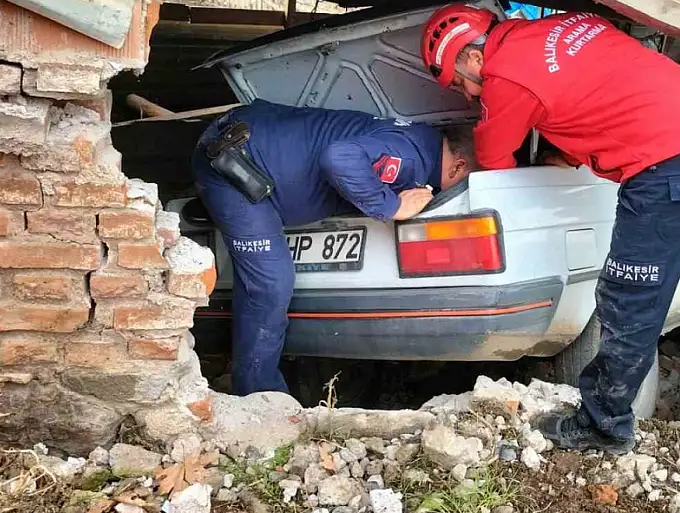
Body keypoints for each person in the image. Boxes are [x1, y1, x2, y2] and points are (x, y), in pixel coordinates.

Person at [420, 4, 680, 456]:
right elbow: (602, 92)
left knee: (630, 295)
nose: (470, 95)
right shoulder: (565, 24)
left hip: (668, 162)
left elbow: (495, 164)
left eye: (461, 83)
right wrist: (570, 154)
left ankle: (603, 423)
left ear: (473, 58)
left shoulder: (505, 77)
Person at [191, 99, 477, 396]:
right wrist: (392, 206)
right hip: (232, 164)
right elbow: (339, 158)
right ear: (458, 166)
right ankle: (257, 397)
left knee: (270, 281)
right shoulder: (409, 156)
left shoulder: (421, 143)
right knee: (270, 284)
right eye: (465, 182)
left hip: (258, 141)